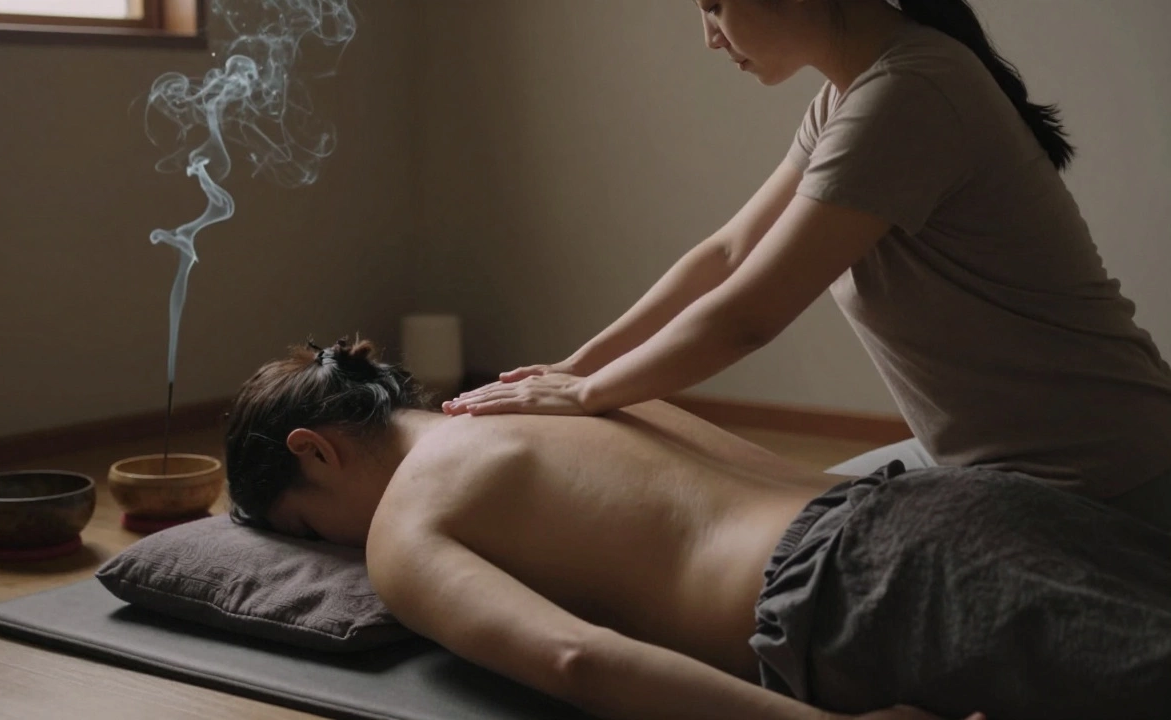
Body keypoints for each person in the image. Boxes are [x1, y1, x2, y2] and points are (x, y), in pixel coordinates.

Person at [440, 0, 1171, 532]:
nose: (709, 36)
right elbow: (727, 254)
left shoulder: (912, 91)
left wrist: (589, 394)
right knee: (777, 530)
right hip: (978, 464)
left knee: (787, 563)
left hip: (1101, 478)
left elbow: (746, 318)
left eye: (715, 4)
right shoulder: (850, 95)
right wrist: (573, 366)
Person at [225, 338, 1171, 720]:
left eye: (312, 529)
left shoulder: (404, 525)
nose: (338, 549)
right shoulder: (538, 387)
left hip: (867, 590)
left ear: (315, 451)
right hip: (948, 503)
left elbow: (575, 660)